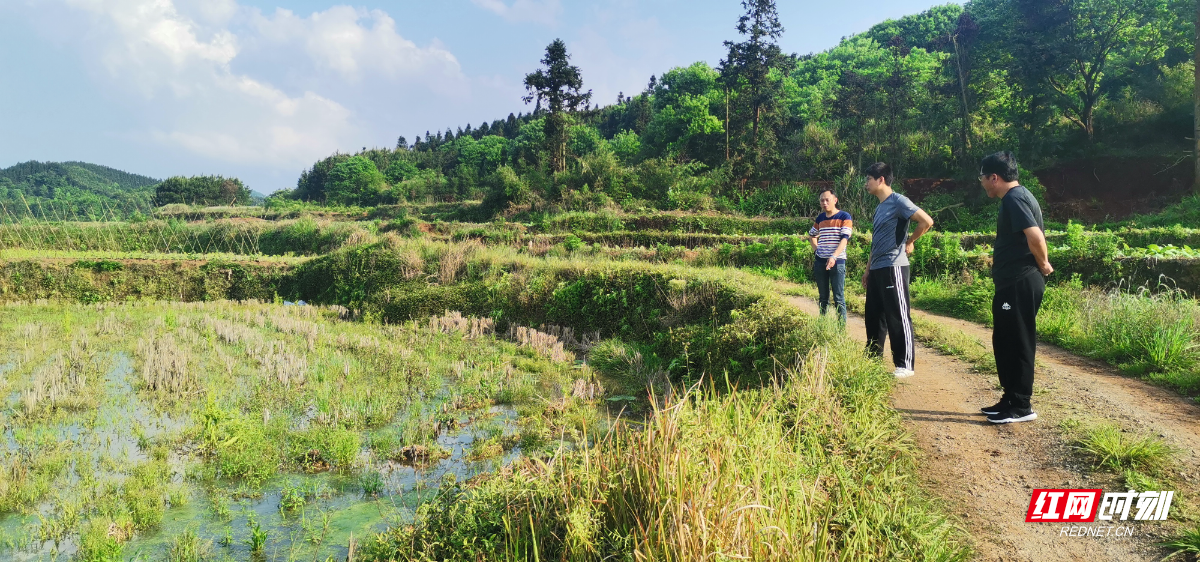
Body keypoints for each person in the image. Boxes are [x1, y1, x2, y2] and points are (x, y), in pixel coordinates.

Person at [977, 151, 1053, 424]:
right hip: (1012, 283)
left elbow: (1035, 235)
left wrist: (1043, 264)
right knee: (1005, 341)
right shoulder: (1017, 197)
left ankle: (1021, 406)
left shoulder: (1015, 198)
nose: (983, 184)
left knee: (1018, 342)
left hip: (1020, 281)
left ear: (994, 177)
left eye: (983, 178)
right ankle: (1009, 398)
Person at [860, 162, 934, 378]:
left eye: (868, 179)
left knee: (898, 316)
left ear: (880, 179)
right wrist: (868, 270)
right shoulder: (879, 207)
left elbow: (926, 221)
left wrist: (910, 241)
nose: (866, 184)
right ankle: (872, 360)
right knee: (874, 317)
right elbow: (876, 242)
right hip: (877, 269)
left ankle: (904, 365)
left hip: (894, 266)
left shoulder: (899, 201)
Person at [808, 188, 852, 324]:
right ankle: (823, 324)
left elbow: (845, 239)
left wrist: (833, 256)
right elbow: (812, 235)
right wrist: (816, 251)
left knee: (838, 297)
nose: (824, 203)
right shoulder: (820, 218)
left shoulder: (844, 217)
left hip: (837, 262)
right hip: (820, 262)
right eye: (822, 200)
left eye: (827, 200)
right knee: (823, 297)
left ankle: (841, 328)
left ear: (835, 200)